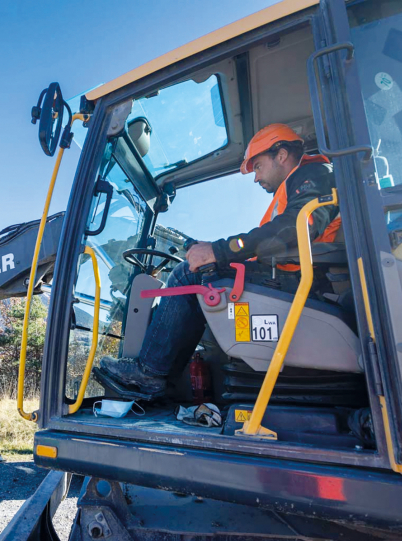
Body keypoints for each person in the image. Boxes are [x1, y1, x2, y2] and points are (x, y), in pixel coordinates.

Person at [99, 123, 339, 396]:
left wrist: (218, 252)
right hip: (286, 276)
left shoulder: (315, 173)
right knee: (198, 274)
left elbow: (297, 229)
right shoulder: (300, 183)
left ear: (281, 155)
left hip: (298, 282)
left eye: (258, 166)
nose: (256, 178)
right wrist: (215, 252)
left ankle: (150, 373)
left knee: (186, 275)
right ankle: (160, 377)